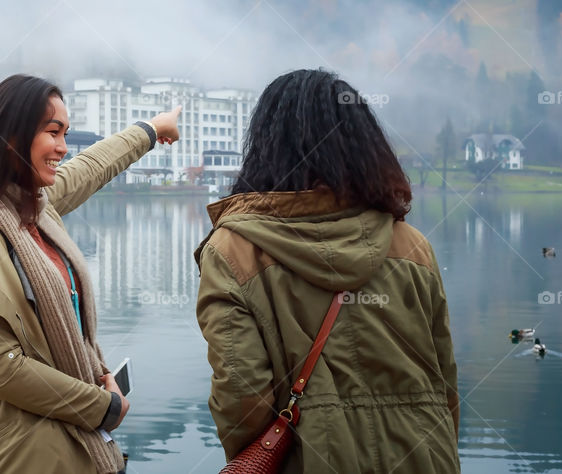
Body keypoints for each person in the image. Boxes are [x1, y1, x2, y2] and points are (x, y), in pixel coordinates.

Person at [195, 69, 459, 473]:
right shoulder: (412, 246)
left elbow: (241, 396)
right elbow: (444, 377)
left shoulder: (235, 251)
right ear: (365, 145)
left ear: (265, 145)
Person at [0, 74, 180, 474]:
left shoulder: (36, 205)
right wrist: (103, 407)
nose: (62, 147)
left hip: (78, 441)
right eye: (52, 132)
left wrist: (152, 129)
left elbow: (93, 166)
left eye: (66, 133)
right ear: (11, 137)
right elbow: (5, 369)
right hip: (22, 454)